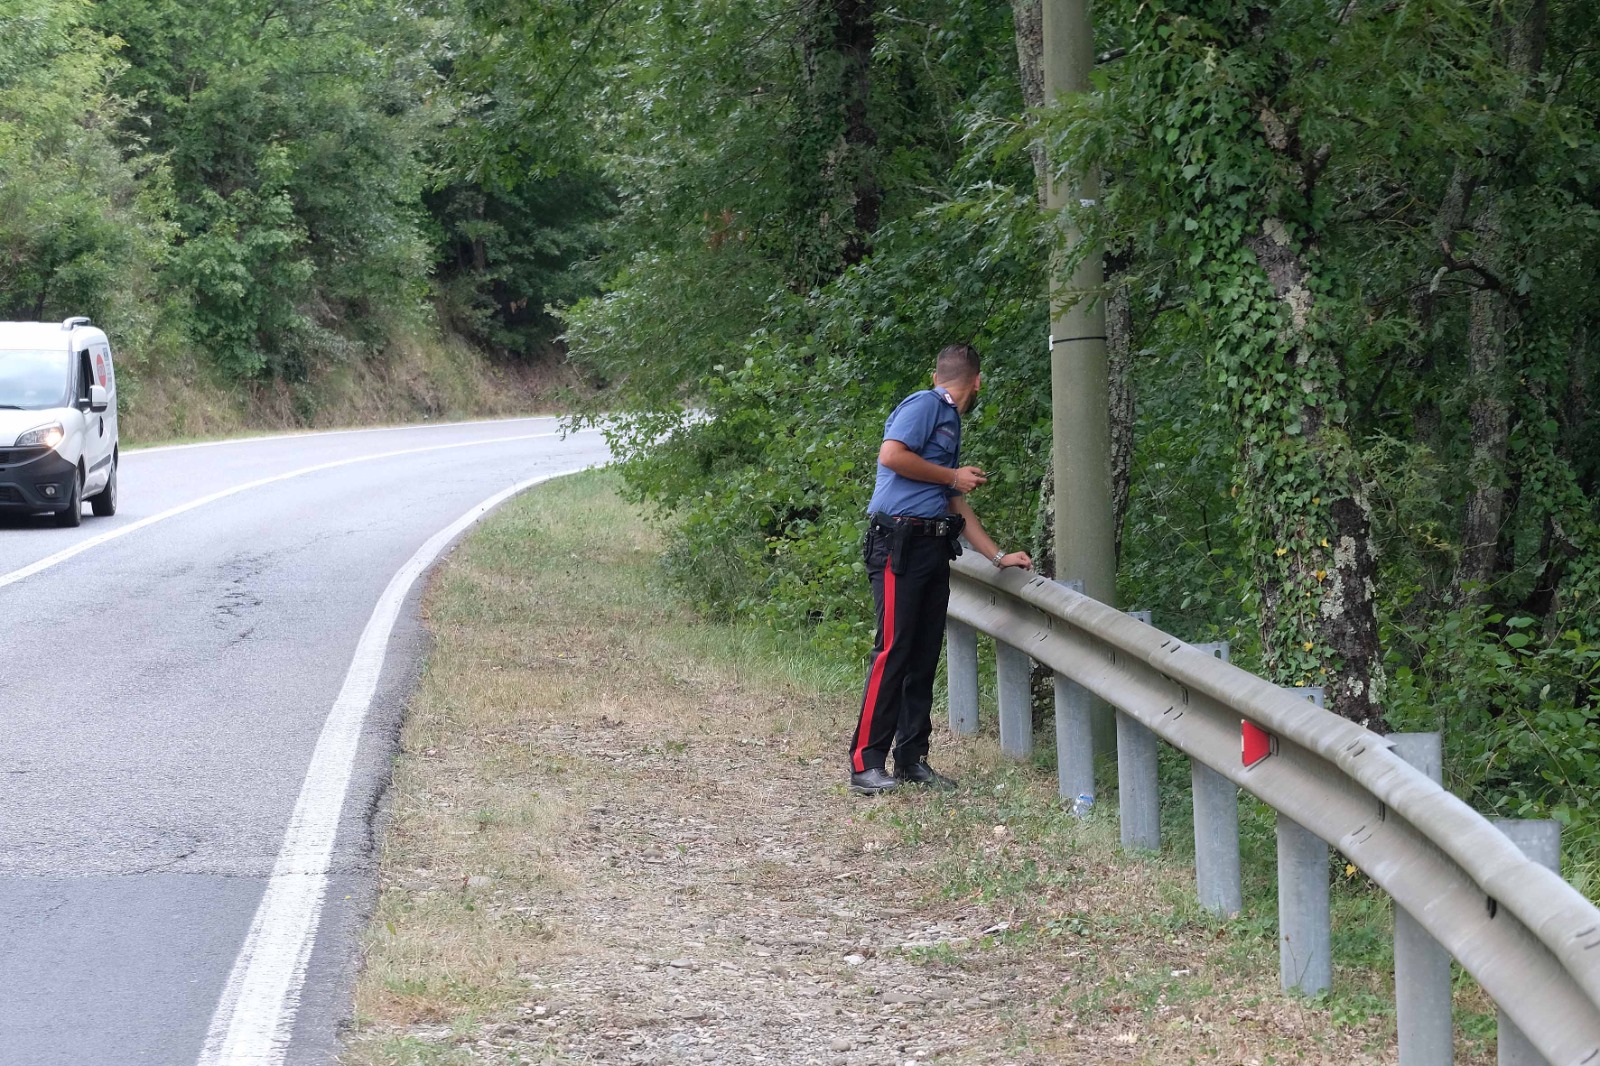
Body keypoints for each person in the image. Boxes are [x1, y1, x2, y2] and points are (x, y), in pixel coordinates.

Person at [848, 343, 1032, 796]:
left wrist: (996, 556)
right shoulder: (926, 404)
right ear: (977, 381)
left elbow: (954, 503)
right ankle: (865, 763)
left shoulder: (950, 420)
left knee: (924, 654)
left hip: (932, 545)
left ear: (938, 373)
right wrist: (951, 476)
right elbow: (890, 455)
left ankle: (911, 759)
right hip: (899, 545)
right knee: (894, 650)